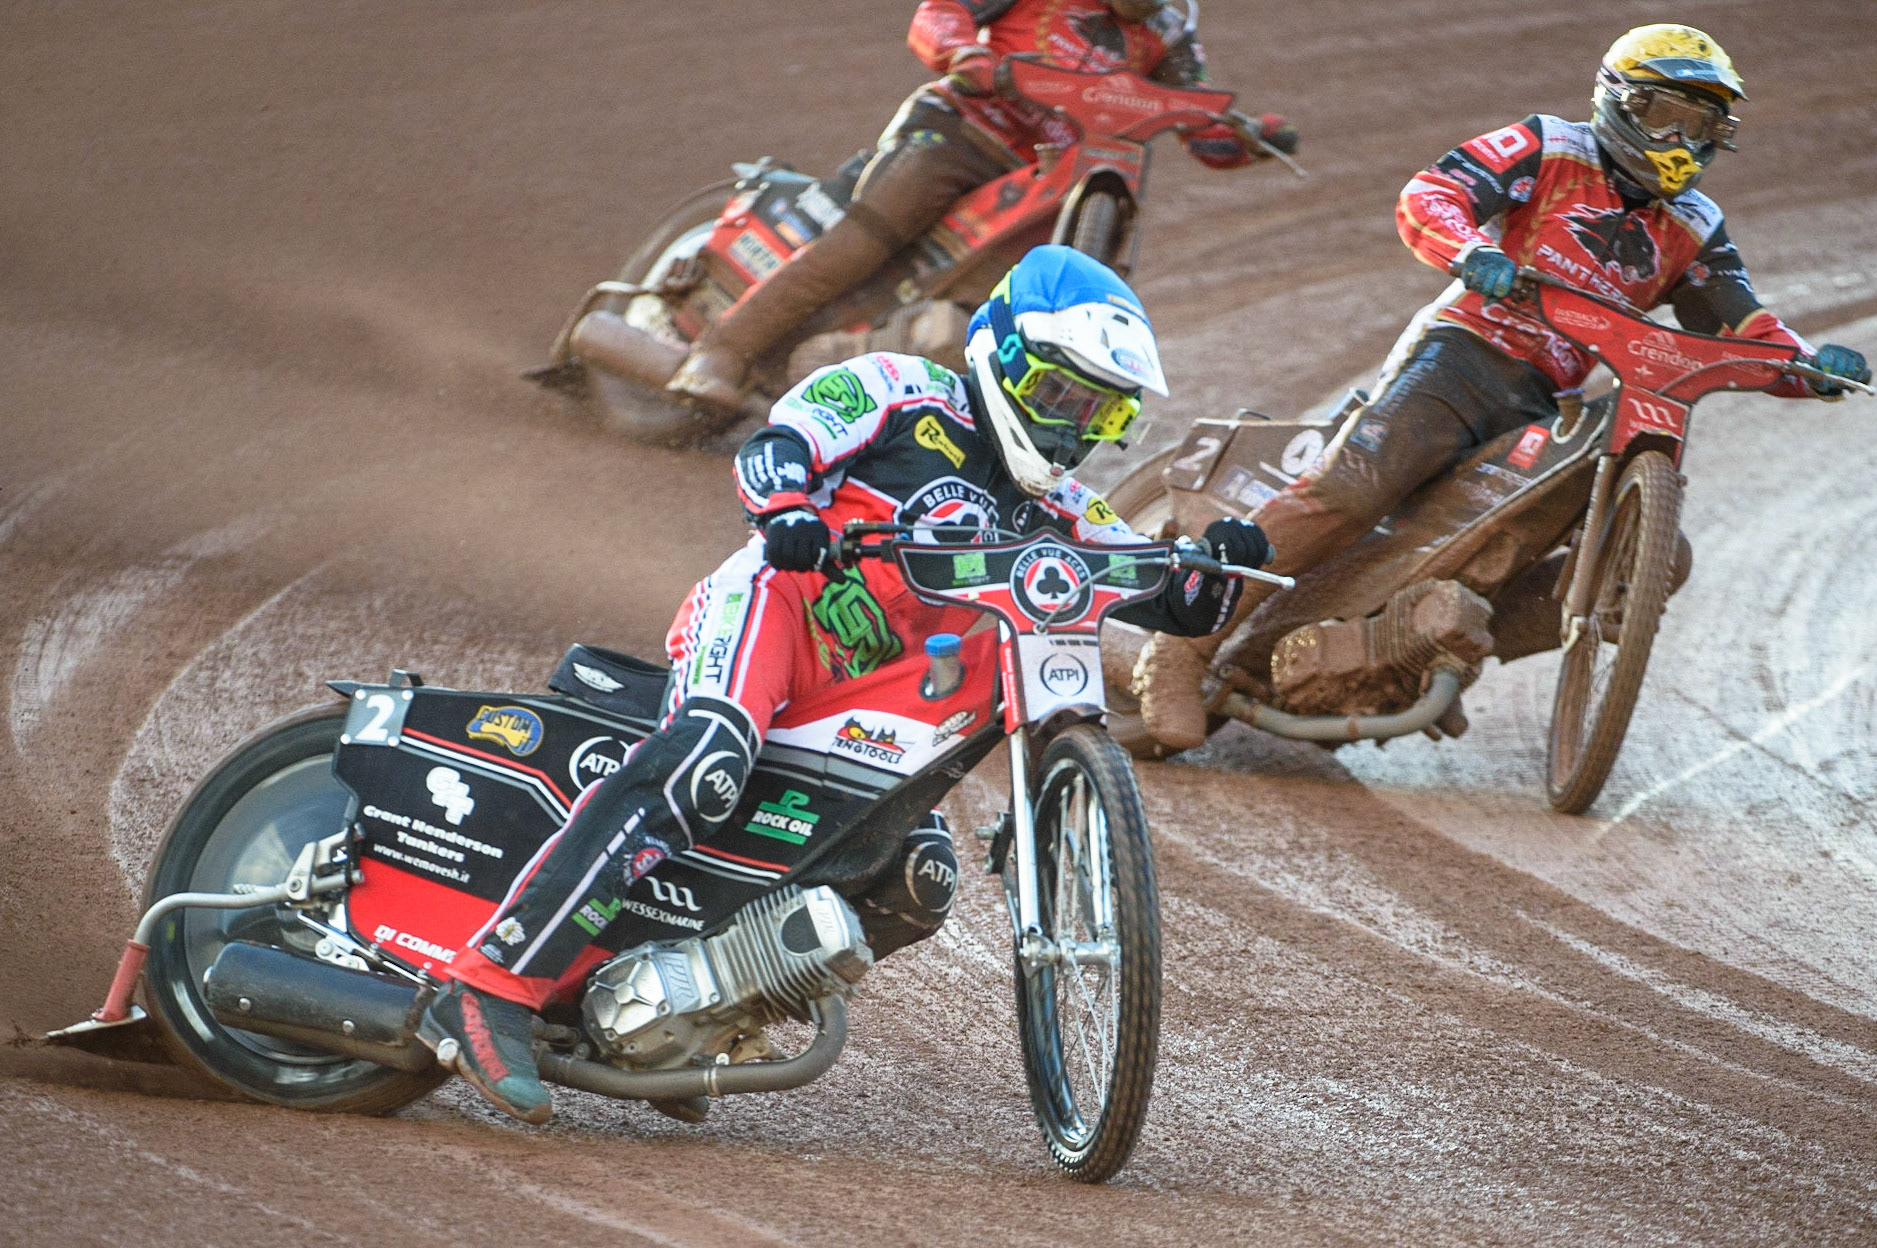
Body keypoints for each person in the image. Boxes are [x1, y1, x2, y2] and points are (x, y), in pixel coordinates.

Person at [418, 247, 1272, 1123]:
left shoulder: (1061, 506)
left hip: (878, 698)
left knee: (920, 877)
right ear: (1004, 356)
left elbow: (1169, 596)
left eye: (1099, 411)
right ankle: (488, 986)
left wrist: (1218, 562)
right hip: (778, 613)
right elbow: (776, 448)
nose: (1071, 427)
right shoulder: (900, 388)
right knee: (705, 758)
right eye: (1061, 396)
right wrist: (788, 510)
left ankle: (688, 1014)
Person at [1132, 22, 1873, 752]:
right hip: (1463, 352)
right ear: (1617, 102)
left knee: (1656, 560)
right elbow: (1431, 194)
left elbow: (1745, 324)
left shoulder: (1694, 225)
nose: (1679, 141)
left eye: (1700, 124)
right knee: (1359, 487)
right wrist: (1470, 249)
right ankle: (1181, 643)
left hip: (1548, 404)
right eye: (1663, 116)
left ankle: (1428, 648)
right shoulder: (1549, 147)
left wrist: (1810, 366)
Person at [664, 0, 1297, 416]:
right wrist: (965, 55)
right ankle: (720, 352)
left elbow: (1196, 120)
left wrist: (1252, 138)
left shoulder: (1170, 26)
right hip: (961, 131)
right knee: (867, 241)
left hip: (1056, 171)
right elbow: (940, 14)